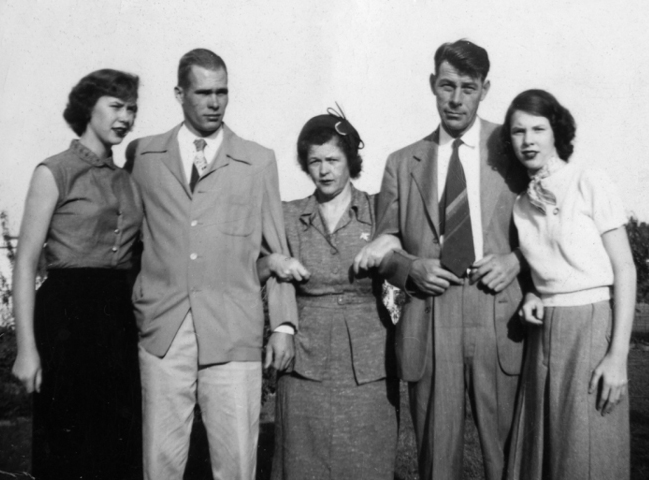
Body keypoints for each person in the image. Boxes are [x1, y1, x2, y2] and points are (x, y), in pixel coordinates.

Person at [354, 39, 529, 480]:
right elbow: (385, 242)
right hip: (431, 321)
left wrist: (517, 260)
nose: (455, 99)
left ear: (485, 89)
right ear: (432, 84)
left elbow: (553, 225)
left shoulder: (512, 149)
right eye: (447, 85)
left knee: (507, 458)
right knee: (436, 461)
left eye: (467, 88)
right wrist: (411, 268)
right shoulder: (401, 163)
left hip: (498, 317)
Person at [125, 48, 298, 480]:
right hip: (164, 329)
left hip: (233, 328)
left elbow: (274, 249)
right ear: (179, 93)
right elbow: (127, 242)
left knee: (236, 462)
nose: (215, 102)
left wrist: (281, 325)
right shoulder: (144, 158)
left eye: (223, 91)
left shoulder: (258, 160)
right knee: (160, 461)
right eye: (204, 93)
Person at [11, 69, 142, 480]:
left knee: (116, 440)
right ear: (89, 107)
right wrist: (26, 349)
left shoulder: (128, 180)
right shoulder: (54, 171)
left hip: (117, 316)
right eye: (116, 106)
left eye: (132, 108)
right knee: (67, 441)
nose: (126, 116)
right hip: (65, 316)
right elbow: (25, 264)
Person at [258, 111, 400, 480]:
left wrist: (390, 239)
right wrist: (273, 260)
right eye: (315, 161)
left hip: (369, 360)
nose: (324, 170)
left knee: (367, 462)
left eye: (333, 159)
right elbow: (249, 264)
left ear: (350, 160)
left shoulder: (379, 208)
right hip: (305, 357)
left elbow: (413, 242)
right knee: (302, 462)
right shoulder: (289, 216)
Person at [504, 89, 634, 480]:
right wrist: (530, 292)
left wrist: (617, 357)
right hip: (543, 335)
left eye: (538, 129)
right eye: (517, 131)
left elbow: (625, 269)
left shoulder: (587, 180)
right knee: (540, 455)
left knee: (586, 453)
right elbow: (541, 267)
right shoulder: (520, 204)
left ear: (555, 131)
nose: (528, 141)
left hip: (591, 328)